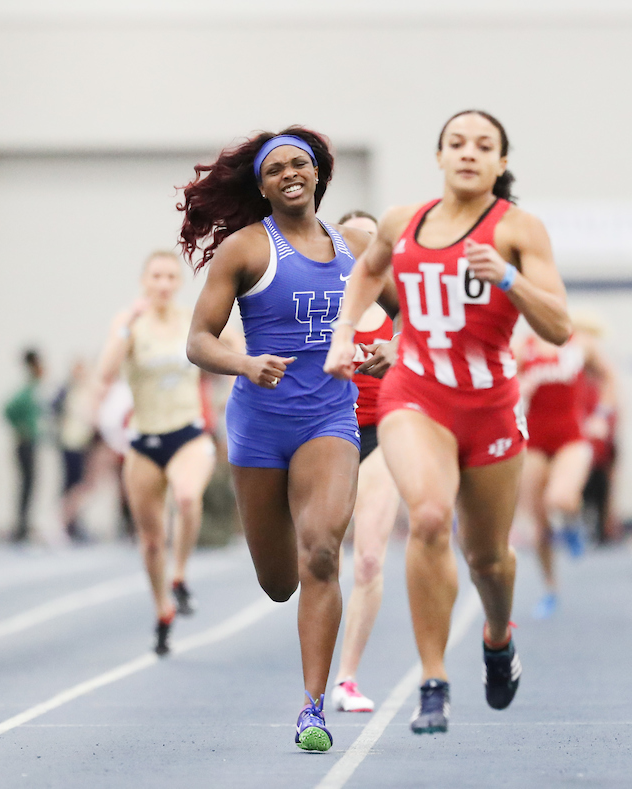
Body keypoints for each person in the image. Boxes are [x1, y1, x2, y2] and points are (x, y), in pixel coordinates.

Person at [324, 110, 571, 734]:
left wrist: (509, 279)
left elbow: (560, 327)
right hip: (416, 395)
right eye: (457, 143)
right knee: (429, 515)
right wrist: (345, 332)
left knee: (488, 559)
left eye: (484, 145)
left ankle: (495, 638)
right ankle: (433, 679)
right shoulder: (403, 221)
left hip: (487, 405)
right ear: (439, 156)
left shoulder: (519, 230)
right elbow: (370, 269)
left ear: (501, 163)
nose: (469, 153)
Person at [181, 127, 393, 751]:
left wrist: (388, 350)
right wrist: (244, 363)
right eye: (276, 170)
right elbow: (197, 339)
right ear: (262, 184)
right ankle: (304, 658)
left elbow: (415, 320)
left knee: (323, 551)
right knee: (279, 582)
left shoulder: (357, 247)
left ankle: (312, 708)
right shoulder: (247, 249)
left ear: (320, 175)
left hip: (330, 419)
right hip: (259, 425)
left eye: (300, 165)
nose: (290, 175)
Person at [96, 251, 216, 656]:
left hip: (188, 433)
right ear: (144, 281)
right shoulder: (129, 323)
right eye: (156, 277)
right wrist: (126, 327)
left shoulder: (189, 319)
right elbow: (105, 373)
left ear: (178, 283)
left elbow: (231, 346)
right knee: (150, 541)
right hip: (145, 440)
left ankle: (179, 576)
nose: (163, 284)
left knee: (186, 496)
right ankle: (162, 608)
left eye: (170, 277)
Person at [328, 210, 402, 714]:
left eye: (373, 238)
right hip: (326, 434)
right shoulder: (322, 301)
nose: (364, 245)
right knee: (319, 560)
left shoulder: (399, 302)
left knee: (370, 558)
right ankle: (316, 663)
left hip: (382, 434)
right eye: (354, 237)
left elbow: (437, 342)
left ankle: (347, 677)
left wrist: (395, 347)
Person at [516, 317, 618, 619]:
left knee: (560, 497)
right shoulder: (523, 347)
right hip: (533, 441)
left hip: (571, 437)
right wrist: (520, 388)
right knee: (539, 527)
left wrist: (601, 414)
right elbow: (497, 381)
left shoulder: (581, 345)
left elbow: (610, 378)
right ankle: (550, 589)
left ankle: (573, 523)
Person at [53, 359, 99, 542]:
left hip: (82, 443)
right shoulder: (69, 391)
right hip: (71, 443)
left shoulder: (86, 390)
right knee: (72, 484)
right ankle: (62, 521)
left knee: (81, 484)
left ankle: (72, 522)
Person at [4, 349, 43, 543]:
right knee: (26, 484)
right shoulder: (28, 389)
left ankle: (24, 524)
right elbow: (8, 409)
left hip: (31, 442)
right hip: (25, 442)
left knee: (29, 485)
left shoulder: (34, 388)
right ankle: (21, 526)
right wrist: (21, 427)